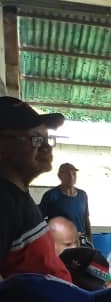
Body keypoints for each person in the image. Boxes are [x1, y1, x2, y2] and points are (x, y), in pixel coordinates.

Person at [0, 97, 73, 280]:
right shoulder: (4, 203)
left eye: (48, 139)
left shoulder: (17, 196)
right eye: (36, 139)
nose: (47, 147)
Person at [39, 162, 91, 239]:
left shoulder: (82, 195)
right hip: (60, 240)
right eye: (67, 174)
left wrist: (89, 238)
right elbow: (40, 220)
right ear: (60, 176)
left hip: (80, 239)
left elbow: (86, 218)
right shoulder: (51, 195)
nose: (71, 177)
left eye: (74, 174)